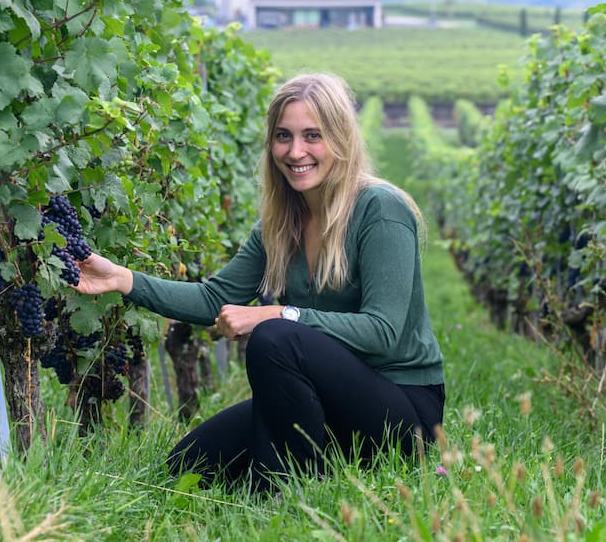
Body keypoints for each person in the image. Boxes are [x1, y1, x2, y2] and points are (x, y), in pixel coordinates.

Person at [73, 72, 445, 491]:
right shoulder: (281, 225)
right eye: (283, 136)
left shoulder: (380, 210)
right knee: (187, 466)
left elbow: (383, 332)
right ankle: (302, 464)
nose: (295, 151)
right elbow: (214, 298)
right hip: (327, 402)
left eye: (312, 136)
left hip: (402, 413)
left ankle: (286, 490)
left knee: (274, 337)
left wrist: (279, 313)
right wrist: (123, 279)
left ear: (341, 139)